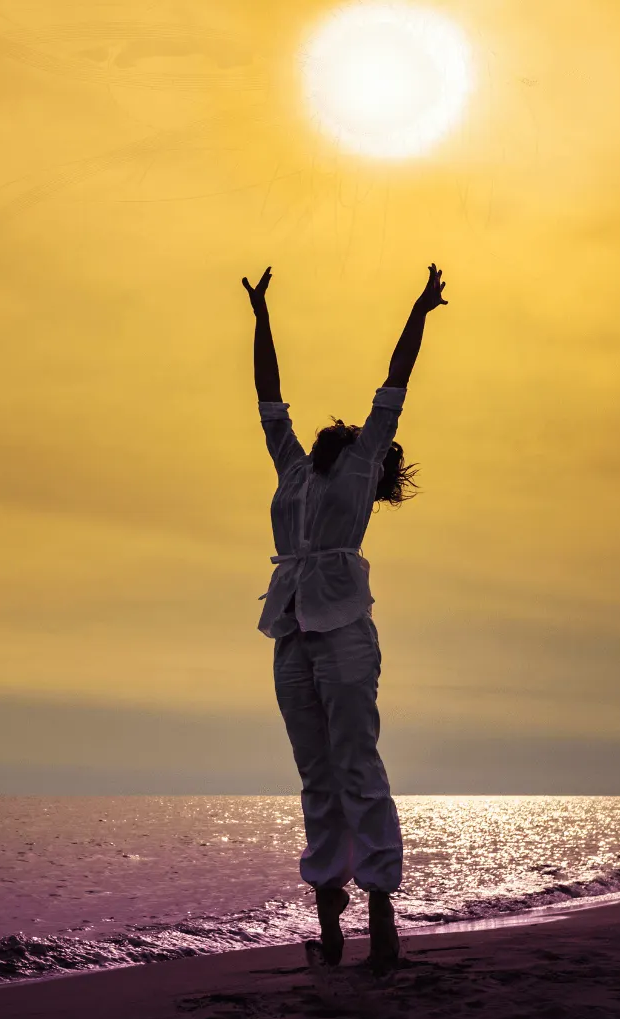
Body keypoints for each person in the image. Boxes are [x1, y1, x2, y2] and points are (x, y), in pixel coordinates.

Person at [241, 263, 447, 973]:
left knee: (357, 763)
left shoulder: (359, 467)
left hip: (346, 630)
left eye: (349, 429)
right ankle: (330, 926)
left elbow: (397, 384)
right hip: (291, 628)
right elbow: (269, 397)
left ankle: (383, 917)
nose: (338, 429)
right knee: (315, 771)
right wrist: (261, 316)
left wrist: (420, 309)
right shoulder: (292, 471)